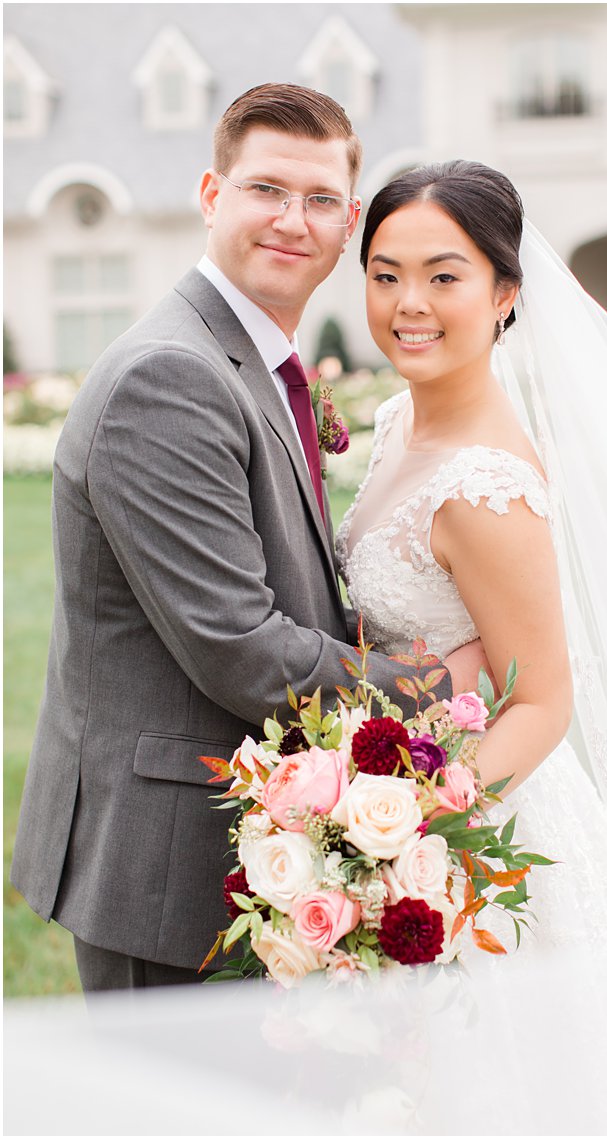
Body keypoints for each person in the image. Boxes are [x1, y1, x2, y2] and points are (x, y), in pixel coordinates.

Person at [9, 84, 479, 992]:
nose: (291, 221)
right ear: (211, 195)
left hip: (236, 843)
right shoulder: (171, 378)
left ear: (348, 226)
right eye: (266, 189)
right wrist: (435, 685)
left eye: (319, 200)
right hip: (168, 869)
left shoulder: (247, 358)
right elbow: (241, 647)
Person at [339, 159, 607, 957]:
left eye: (443, 276)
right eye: (385, 275)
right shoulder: (398, 421)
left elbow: (540, 704)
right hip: (396, 771)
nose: (410, 304)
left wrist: (408, 837)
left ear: (504, 295)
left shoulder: (486, 486)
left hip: (474, 839)